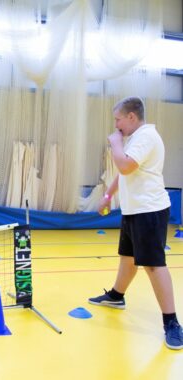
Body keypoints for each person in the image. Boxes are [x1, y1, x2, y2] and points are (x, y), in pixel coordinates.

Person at [88, 96, 183, 350]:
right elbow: (124, 172)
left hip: (149, 211)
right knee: (128, 257)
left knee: (153, 265)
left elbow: (127, 166)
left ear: (131, 117)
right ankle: (117, 296)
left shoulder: (146, 136)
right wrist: (108, 195)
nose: (116, 125)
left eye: (118, 119)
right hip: (134, 210)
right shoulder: (135, 139)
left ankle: (172, 322)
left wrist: (116, 143)